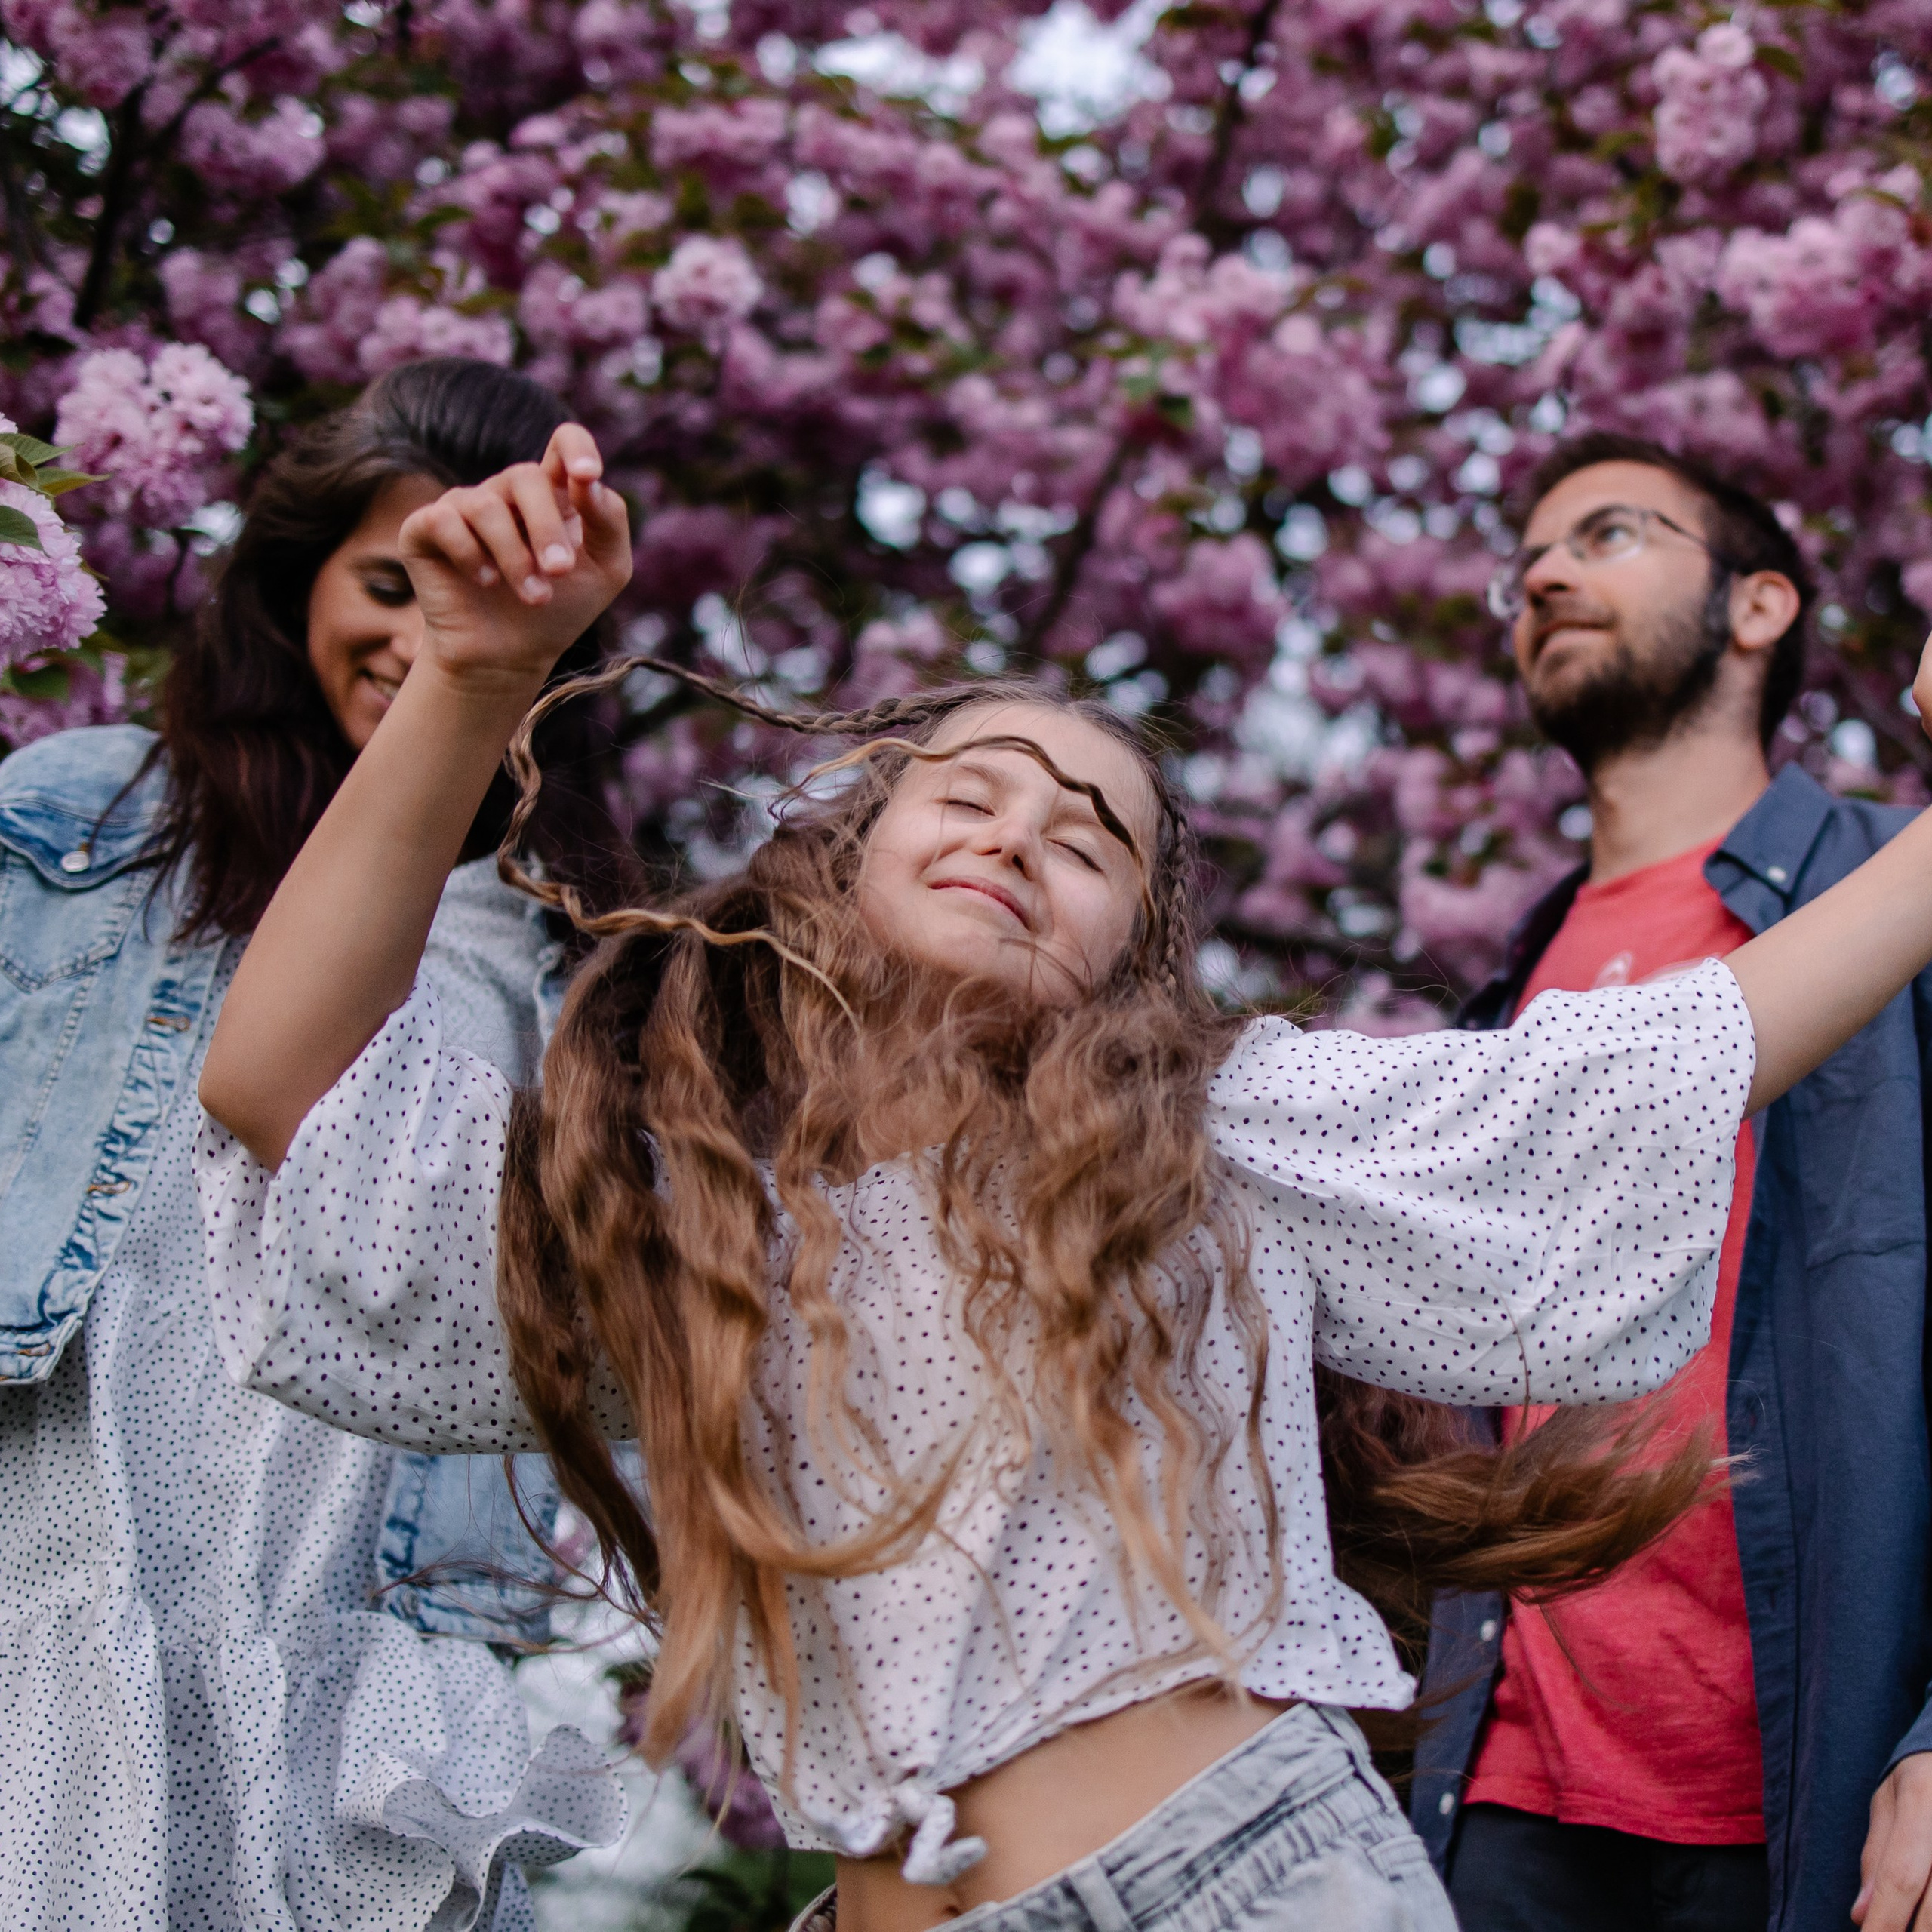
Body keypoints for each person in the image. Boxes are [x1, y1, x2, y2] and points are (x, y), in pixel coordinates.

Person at [192, 420, 1932, 1932]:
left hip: (1237, 1878)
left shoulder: (1218, 1132)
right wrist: (475, 677)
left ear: (1135, 954)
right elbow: (282, 1084)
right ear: (843, 851)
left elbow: (1640, 1068)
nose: (1019, 831)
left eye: (1089, 833)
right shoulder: (693, 1209)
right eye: (971, 791)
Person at [0, 358, 630, 1932]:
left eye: (478, 595)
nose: (423, 633)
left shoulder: (595, 961)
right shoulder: (86, 819)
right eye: (390, 578)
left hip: (359, 1600)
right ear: (294, 590)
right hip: (59, 1517)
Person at [1407, 431, 1932, 1932]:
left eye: (1607, 534)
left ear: (1757, 606)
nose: (1544, 575)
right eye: (1526, 561)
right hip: (1504, 1780)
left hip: (1805, 1775)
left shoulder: (1881, 899)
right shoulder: (1507, 993)